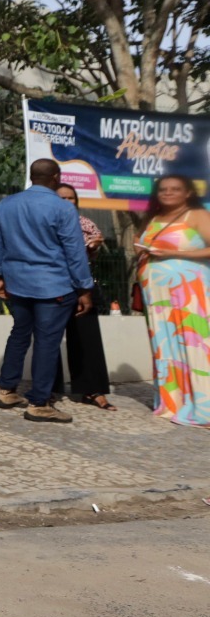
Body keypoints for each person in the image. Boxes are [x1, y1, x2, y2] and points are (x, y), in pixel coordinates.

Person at [0, 159, 95, 423]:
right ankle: (39, 402)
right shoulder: (62, 208)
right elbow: (74, 251)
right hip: (53, 285)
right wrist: (84, 287)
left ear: (31, 176)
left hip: (17, 283)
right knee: (47, 342)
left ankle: (7, 390)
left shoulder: (6, 205)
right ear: (56, 177)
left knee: (20, 333)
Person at [134, 175, 210, 428]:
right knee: (166, 346)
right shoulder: (153, 218)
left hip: (190, 292)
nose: (168, 193)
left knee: (195, 344)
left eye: (175, 189)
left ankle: (204, 407)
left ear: (187, 192)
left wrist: (175, 253)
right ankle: (173, 402)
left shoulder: (196, 214)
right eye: (163, 189)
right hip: (157, 295)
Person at [55, 183, 114, 410]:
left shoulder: (86, 223)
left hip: (82, 286)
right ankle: (50, 389)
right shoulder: (46, 223)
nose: (68, 202)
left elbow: (93, 253)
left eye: (71, 198)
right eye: (62, 198)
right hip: (53, 285)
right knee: (49, 339)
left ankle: (92, 390)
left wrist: (95, 246)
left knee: (87, 337)